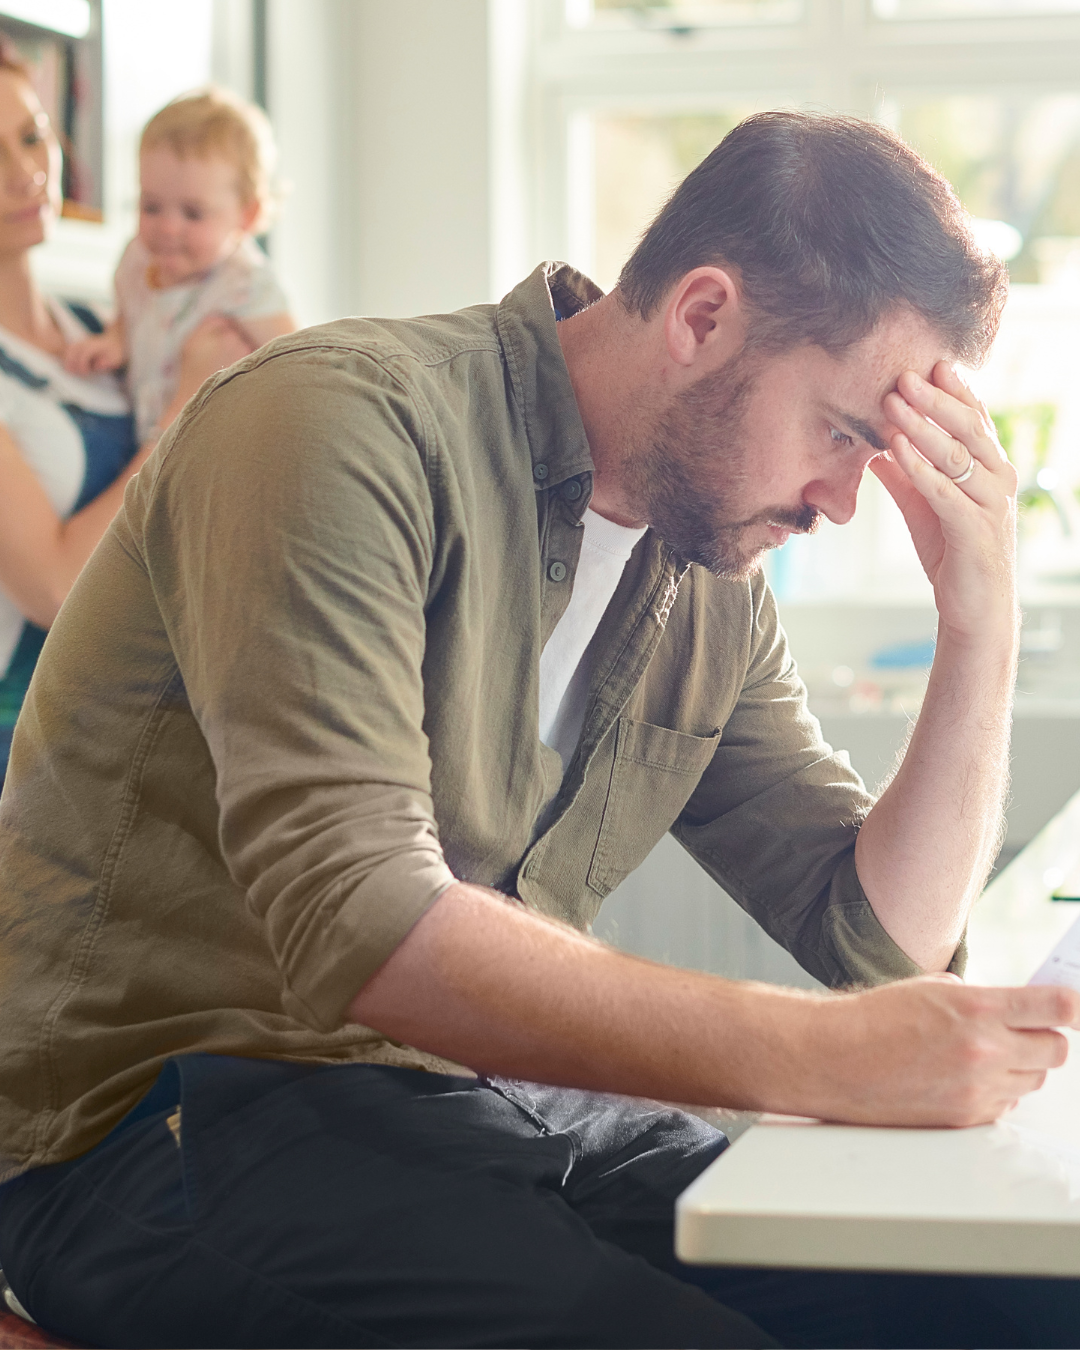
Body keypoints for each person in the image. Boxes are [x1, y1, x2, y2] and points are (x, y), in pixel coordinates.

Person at [0, 111, 1077, 1350]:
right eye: (843, 432)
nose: (845, 500)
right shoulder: (334, 426)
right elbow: (364, 921)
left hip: (470, 1112)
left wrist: (978, 621)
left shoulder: (707, 578)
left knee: (1003, 1308)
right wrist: (825, 1054)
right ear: (702, 317)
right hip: (161, 1127)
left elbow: (880, 943)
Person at [0, 55, 253, 787]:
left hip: (137, 726)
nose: (26, 172)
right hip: (28, 750)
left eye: (31, 135)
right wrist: (185, 408)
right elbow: (52, 586)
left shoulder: (103, 329)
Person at [65, 87, 295, 445]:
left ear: (246, 215)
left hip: (223, 448)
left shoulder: (245, 284)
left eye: (193, 213)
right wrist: (116, 341)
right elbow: (130, 314)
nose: (168, 228)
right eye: (151, 207)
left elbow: (298, 360)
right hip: (152, 442)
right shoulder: (137, 260)